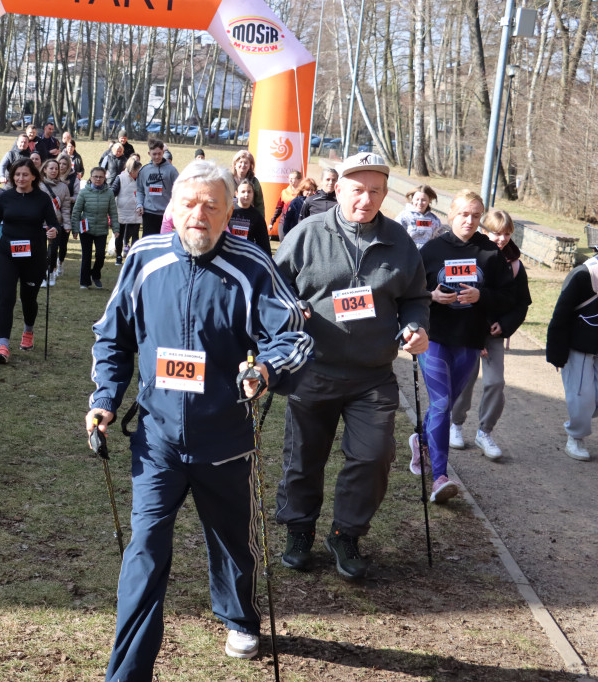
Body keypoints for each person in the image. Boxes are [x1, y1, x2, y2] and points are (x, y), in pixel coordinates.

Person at [86, 159, 313, 679]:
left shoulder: (252, 264)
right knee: (144, 550)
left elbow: (295, 336)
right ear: (171, 206)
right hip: (157, 439)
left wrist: (266, 369)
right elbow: (112, 336)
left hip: (225, 438)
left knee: (231, 538)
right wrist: (105, 398)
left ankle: (238, 616)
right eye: (189, 203)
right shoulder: (143, 258)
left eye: (212, 205)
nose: (199, 214)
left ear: (230, 210)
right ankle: (127, 672)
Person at [273, 152, 431, 579]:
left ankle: (346, 533)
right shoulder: (306, 234)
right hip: (313, 370)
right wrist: (292, 311)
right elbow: (274, 287)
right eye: (358, 189)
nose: (366, 199)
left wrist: (415, 326)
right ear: (338, 188)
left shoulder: (400, 241)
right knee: (304, 458)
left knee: (374, 455)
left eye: (376, 191)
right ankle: (299, 529)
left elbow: (415, 296)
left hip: (372, 375)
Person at [415, 190, 515, 500]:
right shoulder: (431, 250)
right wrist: (431, 295)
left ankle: (420, 439)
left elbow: (508, 299)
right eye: (463, 214)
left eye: (475, 215)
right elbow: (409, 292)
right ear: (450, 216)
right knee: (443, 405)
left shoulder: (491, 254)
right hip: (434, 338)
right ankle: (440, 477)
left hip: (470, 341)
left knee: (442, 407)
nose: (469, 220)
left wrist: (481, 296)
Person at [450, 208, 531, 460]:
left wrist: (505, 326)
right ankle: (456, 424)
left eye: (506, 233)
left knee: (496, 382)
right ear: (484, 231)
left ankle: (484, 432)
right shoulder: (472, 256)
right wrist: (477, 331)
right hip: (469, 330)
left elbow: (520, 303)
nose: (502, 238)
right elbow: (461, 295)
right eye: (496, 233)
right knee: (465, 380)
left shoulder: (515, 265)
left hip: (495, 333)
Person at [0, 158, 59, 364]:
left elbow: (53, 224)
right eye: (16, 175)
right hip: (7, 255)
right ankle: (3, 346)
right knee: (6, 298)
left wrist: (52, 231)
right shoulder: (5, 198)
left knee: (28, 298)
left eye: (24, 174)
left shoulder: (42, 199)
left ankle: (28, 331)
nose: (20, 178)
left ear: (34, 176)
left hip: (34, 256)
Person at [546, 247, 598, 461]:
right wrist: (557, 353)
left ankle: (584, 414)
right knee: (582, 396)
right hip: (580, 345)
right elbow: (561, 314)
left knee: (592, 400)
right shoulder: (584, 274)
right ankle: (575, 437)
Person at [71, 167, 119, 290]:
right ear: (91, 178)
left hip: (102, 229)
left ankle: (95, 275)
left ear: (105, 178)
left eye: (100, 177)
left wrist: (116, 228)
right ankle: (84, 282)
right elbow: (76, 211)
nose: (98, 179)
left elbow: (113, 212)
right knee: (86, 256)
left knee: (100, 256)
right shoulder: (83, 192)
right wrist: (75, 229)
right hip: (86, 229)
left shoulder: (109, 193)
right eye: (95, 176)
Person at [136, 139, 179, 237]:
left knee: (164, 244)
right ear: (149, 153)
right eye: (154, 154)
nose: (157, 157)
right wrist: (139, 204)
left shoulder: (172, 170)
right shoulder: (144, 170)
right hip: (148, 214)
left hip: (165, 215)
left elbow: (179, 191)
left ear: (163, 152)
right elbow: (140, 190)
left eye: (159, 154)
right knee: (149, 244)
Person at [40, 158, 72, 288]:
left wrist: (67, 224)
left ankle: (51, 271)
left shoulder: (63, 187)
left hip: (56, 223)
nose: (54, 171)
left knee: (53, 251)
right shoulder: (38, 185)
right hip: (40, 224)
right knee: (41, 251)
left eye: (56, 168)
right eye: (51, 168)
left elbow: (65, 208)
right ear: (45, 169)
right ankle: (42, 275)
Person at [228, 178, 270, 256]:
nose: (246, 195)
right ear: (236, 194)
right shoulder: (228, 212)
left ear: (253, 194)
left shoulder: (257, 216)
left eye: (249, 192)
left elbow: (264, 244)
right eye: (243, 192)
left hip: (246, 256)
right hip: (228, 253)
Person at [112, 157, 142, 265]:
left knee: (135, 235)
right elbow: (113, 192)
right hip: (122, 210)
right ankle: (119, 256)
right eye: (137, 171)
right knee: (119, 235)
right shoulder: (120, 178)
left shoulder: (140, 179)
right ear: (132, 170)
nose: (139, 173)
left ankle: (133, 256)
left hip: (136, 211)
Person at [396, 184, 444, 249]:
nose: (420, 203)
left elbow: (439, 240)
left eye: (423, 200)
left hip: (428, 256)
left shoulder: (435, 220)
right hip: (408, 255)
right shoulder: (403, 217)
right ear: (412, 199)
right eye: (417, 199)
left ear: (429, 200)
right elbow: (396, 237)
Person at [230, 149, 264, 220]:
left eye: (246, 163)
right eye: (240, 162)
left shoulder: (254, 182)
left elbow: (259, 204)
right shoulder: (227, 179)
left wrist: (261, 221)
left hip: (247, 218)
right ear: (235, 164)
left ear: (250, 166)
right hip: (229, 217)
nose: (243, 165)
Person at [270, 169, 302, 237]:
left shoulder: (303, 193)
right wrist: (272, 222)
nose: (290, 180)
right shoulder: (284, 192)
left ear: (299, 180)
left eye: (293, 178)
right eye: (289, 178)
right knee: (283, 242)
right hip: (284, 221)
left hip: (297, 223)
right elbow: (278, 208)